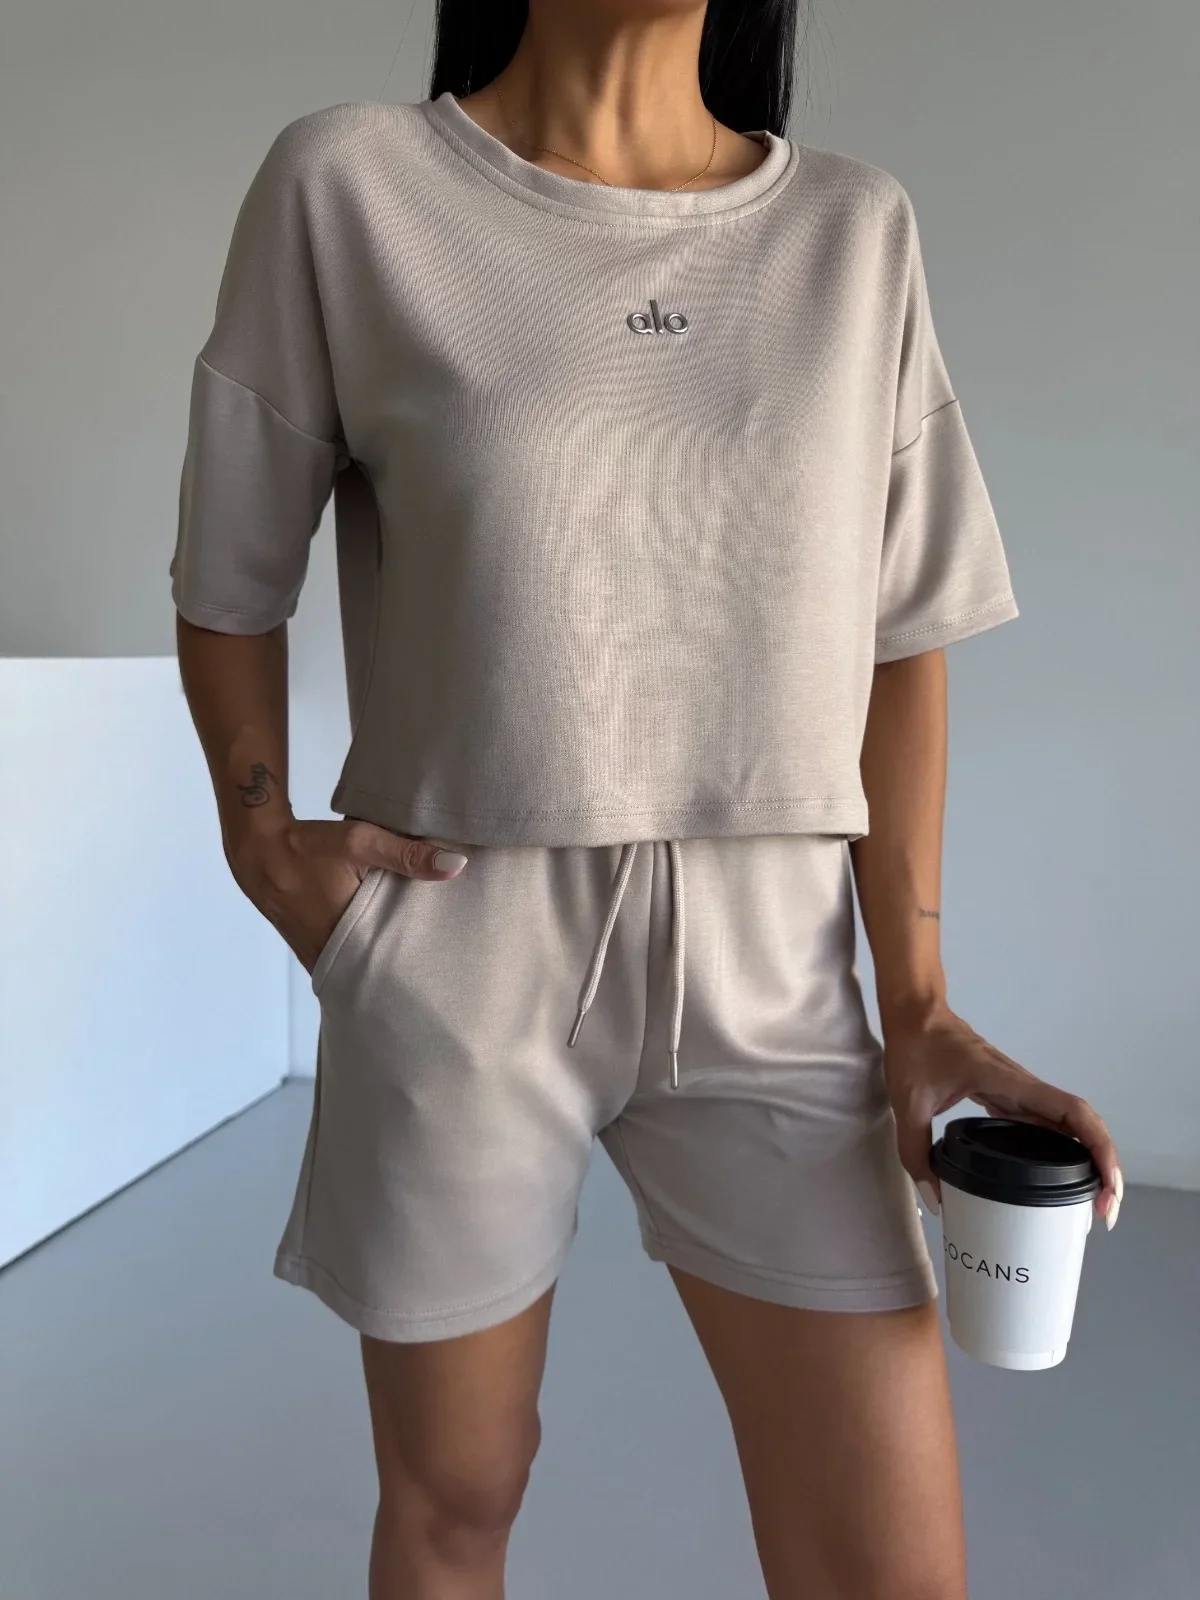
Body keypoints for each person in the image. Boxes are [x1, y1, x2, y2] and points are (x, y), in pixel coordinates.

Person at [170, 3, 1123, 1595]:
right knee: (457, 1501)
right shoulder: (354, 187)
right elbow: (228, 572)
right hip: (460, 950)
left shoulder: (851, 230)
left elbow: (904, 634)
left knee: (893, 1569)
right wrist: (266, 845)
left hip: (777, 970)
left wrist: (919, 1000)